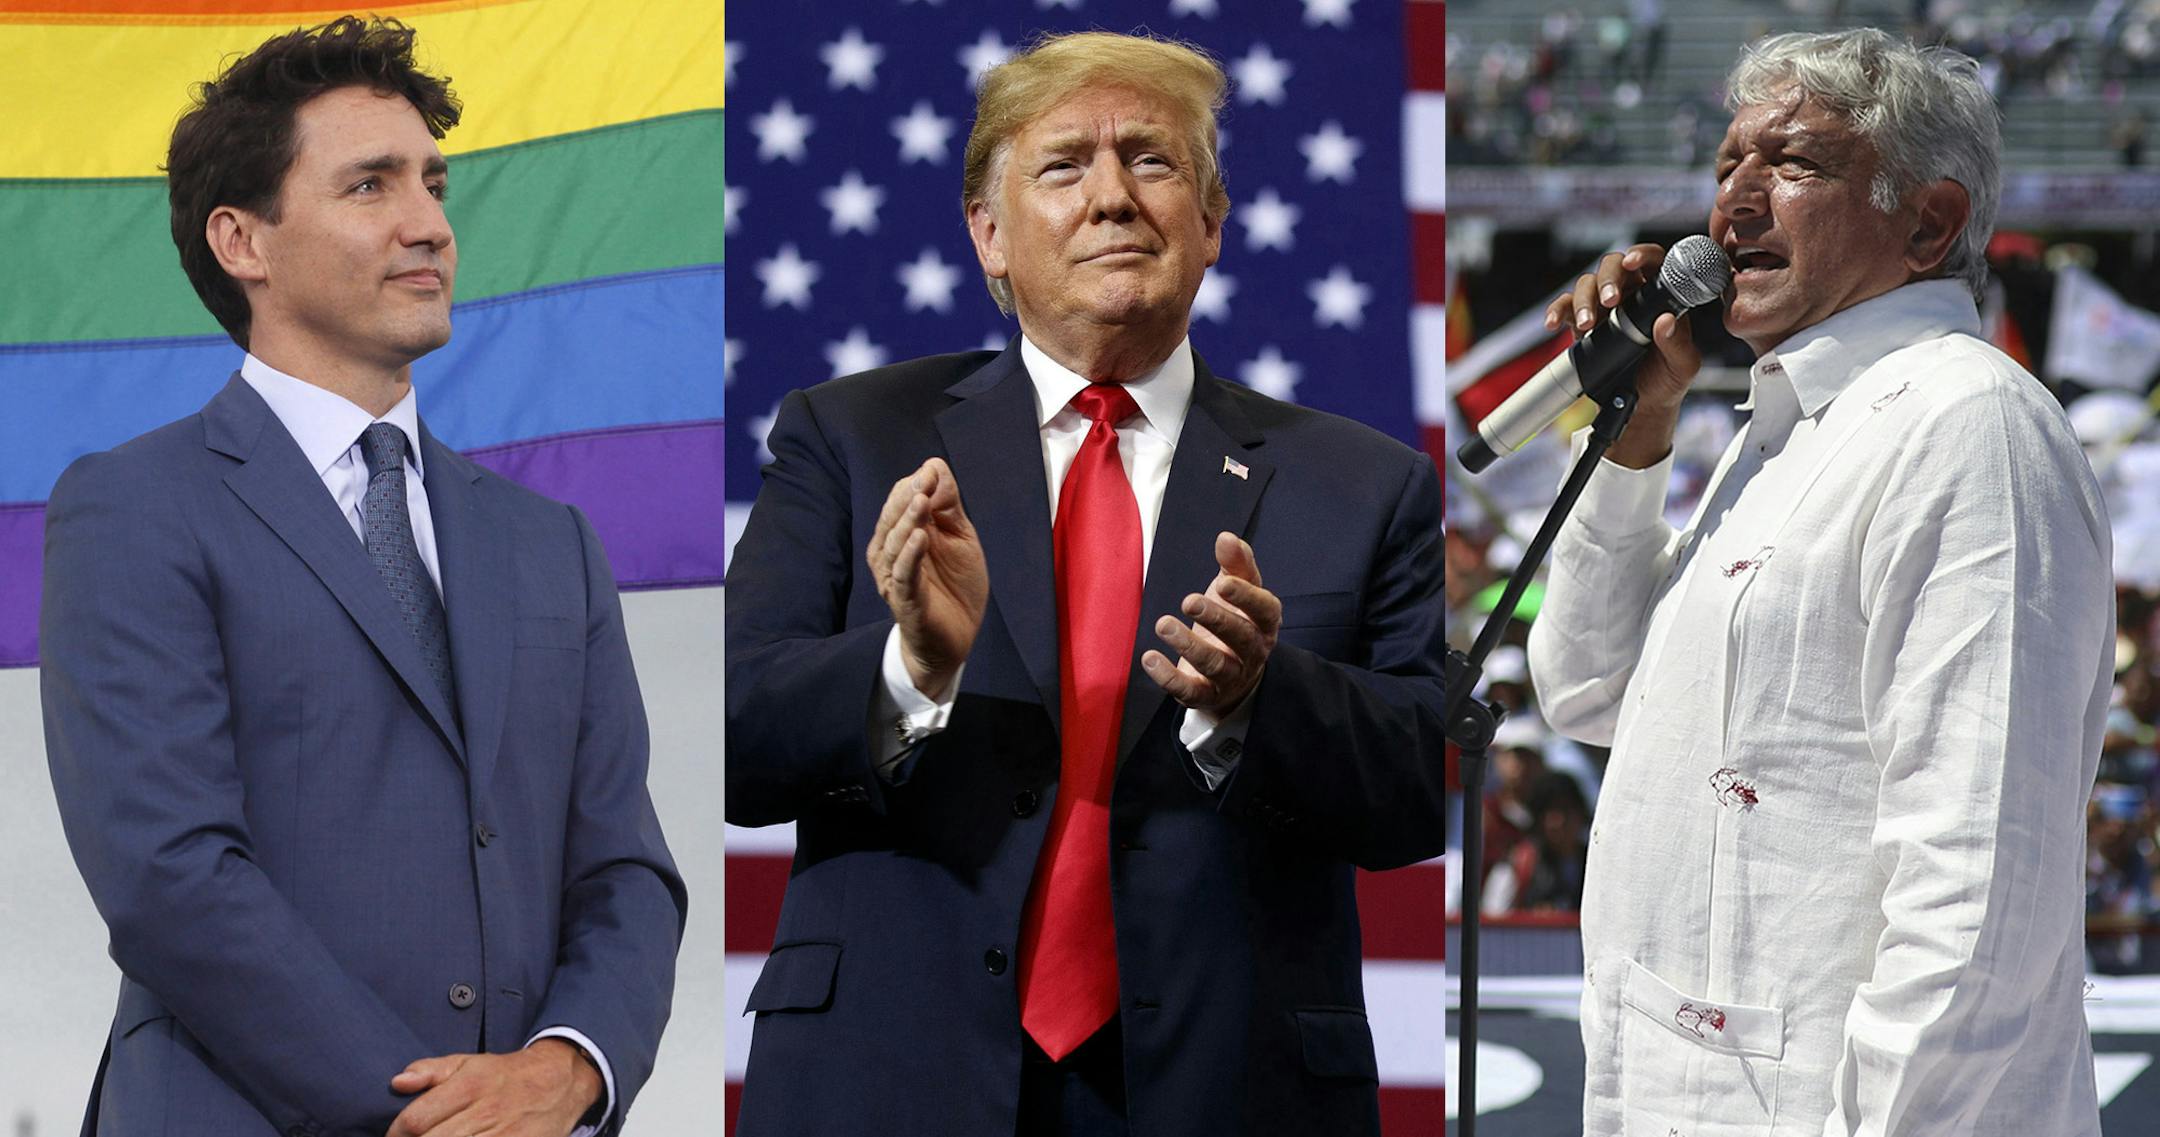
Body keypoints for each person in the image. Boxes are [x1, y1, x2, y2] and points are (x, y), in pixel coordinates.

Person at [725, 30, 1445, 1137]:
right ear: (989, 235)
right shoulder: (854, 436)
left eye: (1152, 161)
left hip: (1229, 1090)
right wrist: (909, 669)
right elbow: (728, 745)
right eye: (1064, 166)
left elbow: (1414, 796)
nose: (1113, 197)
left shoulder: (1365, 484)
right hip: (891, 1077)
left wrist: (1263, 698)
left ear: (1212, 223)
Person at [39, 18, 686, 1137]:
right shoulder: (134, 505)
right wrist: (437, 1117)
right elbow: (169, 876)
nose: (430, 224)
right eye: (370, 186)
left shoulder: (552, 544)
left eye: (433, 185)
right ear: (242, 241)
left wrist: (567, 1072)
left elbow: (624, 871)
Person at [1526, 28, 2111, 1135]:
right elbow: (1586, 690)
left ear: (1929, 221)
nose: (1733, 204)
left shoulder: (1968, 427)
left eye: (1792, 165)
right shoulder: (1779, 430)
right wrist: (1634, 437)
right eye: (1724, 167)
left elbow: (1975, 902)